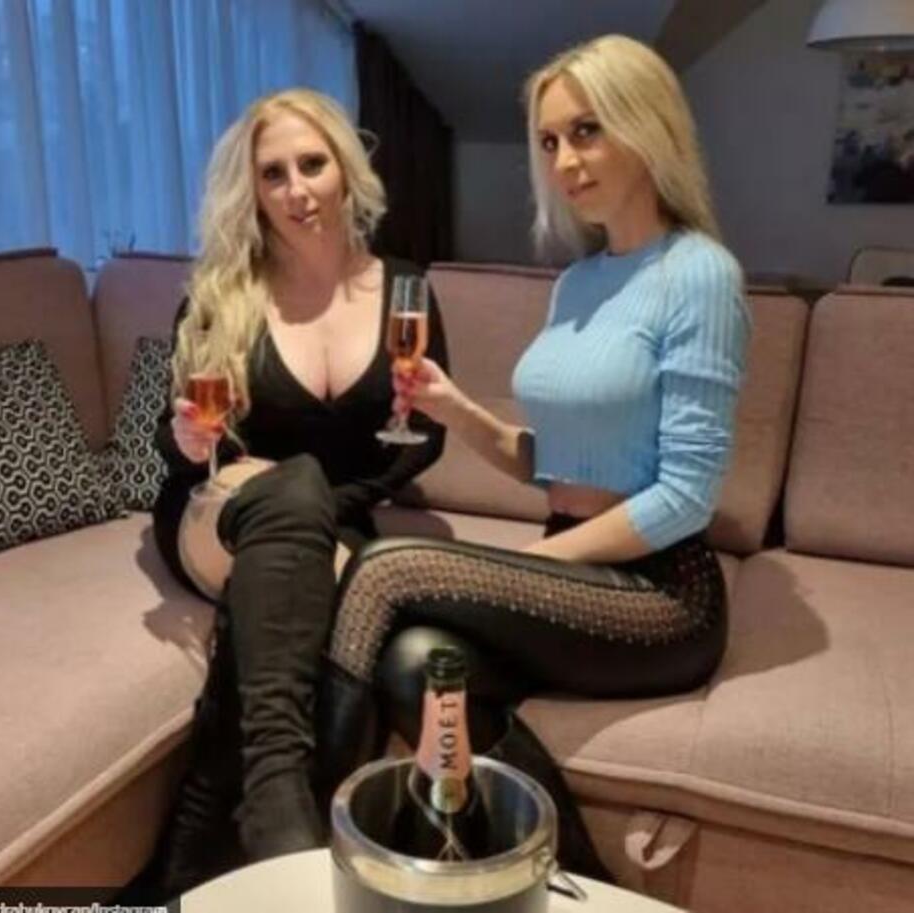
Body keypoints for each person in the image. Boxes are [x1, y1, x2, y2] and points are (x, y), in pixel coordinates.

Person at [316, 34, 750, 881]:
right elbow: (553, 465)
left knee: (382, 568)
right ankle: (576, 879)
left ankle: (307, 840)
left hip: (663, 593)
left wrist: (538, 561)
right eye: (549, 142)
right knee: (417, 666)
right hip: (575, 565)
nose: (564, 161)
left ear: (647, 124)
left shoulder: (700, 274)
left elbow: (687, 496)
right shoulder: (579, 282)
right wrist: (455, 408)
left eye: (586, 131)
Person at [141, 88, 448, 898]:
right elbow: (172, 443)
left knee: (298, 529)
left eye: (311, 164)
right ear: (253, 189)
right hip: (216, 511)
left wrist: (319, 513)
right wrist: (186, 442)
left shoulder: (405, 290)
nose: (295, 190)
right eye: (272, 173)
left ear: (345, 169)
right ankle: (280, 800)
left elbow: (427, 433)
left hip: (318, 525)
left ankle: (190, 864)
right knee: (295, 485)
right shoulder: (220, 293)